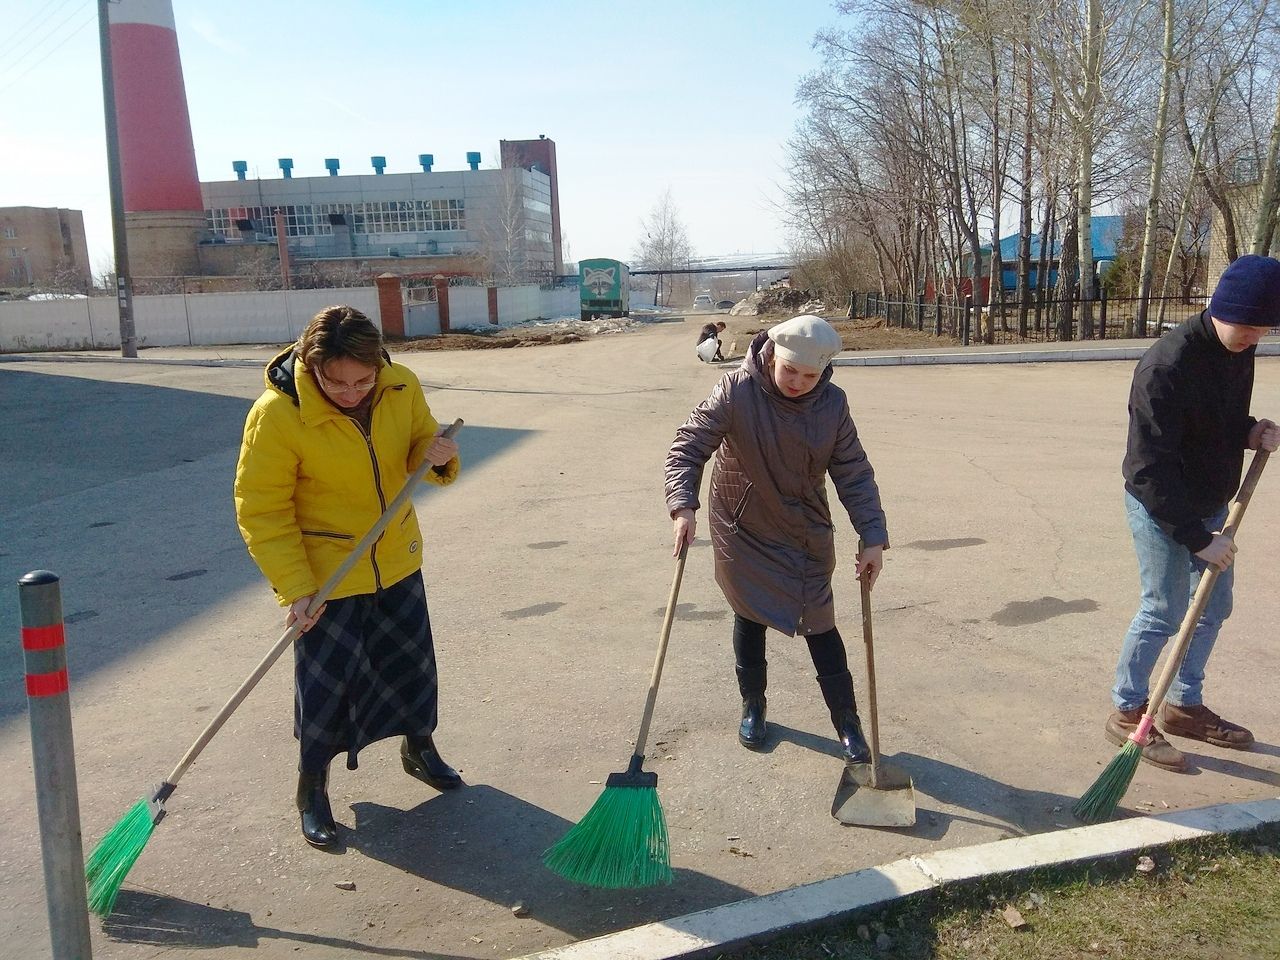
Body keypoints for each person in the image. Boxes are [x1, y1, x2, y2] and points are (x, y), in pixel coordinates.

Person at [234, 305, 463, 848]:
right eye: (337, 382)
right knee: (326, 687)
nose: (352, 391)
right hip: (329, 576)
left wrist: (436, 454)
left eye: (363, 380)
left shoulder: (400, 385)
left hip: (397, 558)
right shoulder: (277, 414)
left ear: (378, 364)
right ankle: (312, 785)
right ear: (312, 365)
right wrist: (296, 589)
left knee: (411, 665)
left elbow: (419, 452)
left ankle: (419, 747)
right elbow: (261, 510)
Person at [665, 315, 888, 762]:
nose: (798, 383)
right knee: (749, 614)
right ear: (773, 356)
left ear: (823, 372)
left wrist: (872, 536)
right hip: (741, 525)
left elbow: (853, 472)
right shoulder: (736, 390)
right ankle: (754, 704)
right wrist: (683, 505)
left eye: (810, 375)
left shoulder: (831, 404)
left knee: (820, 621)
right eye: (790, 371)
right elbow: (689, 446)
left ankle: (847, 721)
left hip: (804, 527)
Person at [1108, 254, 1280, 771]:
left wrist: (1248, 432)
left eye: (1265, 329)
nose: (1257, 338)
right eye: (1250, 326)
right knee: (1163, 610)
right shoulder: (1166, 366)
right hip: (1163, 507)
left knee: (1214, 609)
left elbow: (1215, 421)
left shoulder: (1235, 350)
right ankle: (1127, 709)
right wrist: (1195, 536)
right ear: (1221, 309)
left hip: (1210, 505)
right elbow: (1147, 469)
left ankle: (1184, 705)